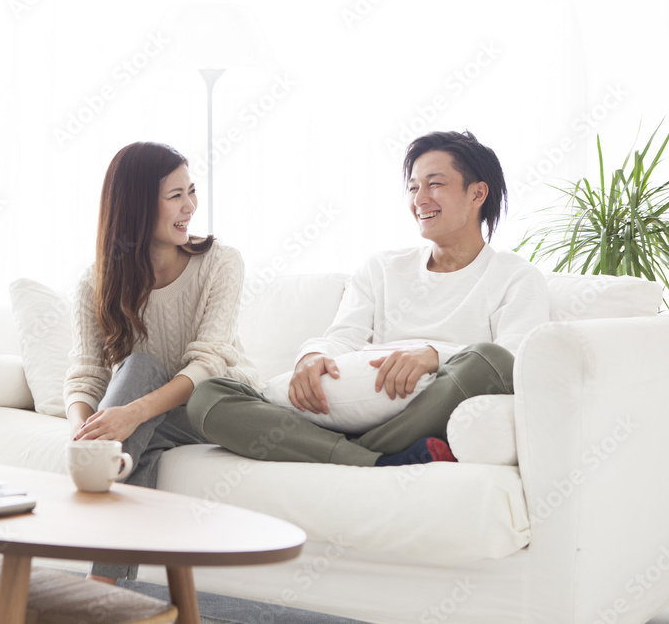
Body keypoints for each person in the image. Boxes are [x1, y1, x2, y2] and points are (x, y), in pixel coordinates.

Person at [187, 130, 550, 467]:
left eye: (434, 184)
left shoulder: (515, 277)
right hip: (351, 410)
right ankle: (376, 458)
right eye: (412, 188)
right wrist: (314, 357)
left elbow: (516, 365)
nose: (419, 199)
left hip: (428, 410)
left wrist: (434, 357)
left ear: (477, 194)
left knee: (488, 359)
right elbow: (344, 336)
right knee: (209, 397)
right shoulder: (383, 267)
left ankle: (338, 450)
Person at [65, 141, 258, 581]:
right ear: (135, 205)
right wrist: (81, 432)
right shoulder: (95, 281)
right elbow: (86, 375)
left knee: (138, 372)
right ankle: (105, 591)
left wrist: (130, 414)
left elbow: (209, 362)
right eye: (176, 195)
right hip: (151, 415)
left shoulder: (220, 262)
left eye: (191, 191)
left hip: (213, 405)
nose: (190, 206)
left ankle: (92, 574)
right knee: (139, 409)